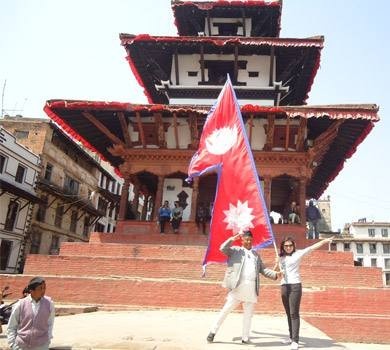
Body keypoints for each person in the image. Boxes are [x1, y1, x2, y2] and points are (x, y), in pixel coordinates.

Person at [207, 231, 280, 344]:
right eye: (246, 239)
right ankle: (212, 331)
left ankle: (245, 337)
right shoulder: (236, 251)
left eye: (250, 239)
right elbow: (222, 248)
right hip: (238, 286)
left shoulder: (256, 255)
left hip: (251, 288)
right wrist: (232, 239)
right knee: (226, 310)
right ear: (242, 240)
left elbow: (263, 270)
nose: (248, 241)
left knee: (248, 315)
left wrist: (275, 274)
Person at [278, 236, 333, 350]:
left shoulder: (298, 254)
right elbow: (276, 272)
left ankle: (295, 340)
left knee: (294, 313)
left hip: (295, 286)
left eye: (290, 245)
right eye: (286, 246)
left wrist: (324, 241)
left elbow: (311, 248)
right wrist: (277, 265)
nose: (288, 247)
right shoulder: (281, 258)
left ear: (293, 246)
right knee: (288, 313)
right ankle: (290, 337)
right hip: (284, 286)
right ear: (283, 247)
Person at [7, 276, 55, 350]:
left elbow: (50, 323)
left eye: (44, 288)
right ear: (31, 290)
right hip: (21, 345)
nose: (43, 291)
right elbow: (12, 325)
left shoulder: (49, 303)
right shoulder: (21, 304)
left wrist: (48, 340)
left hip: (41, 346)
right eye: (40, 288)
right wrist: (12, 344)